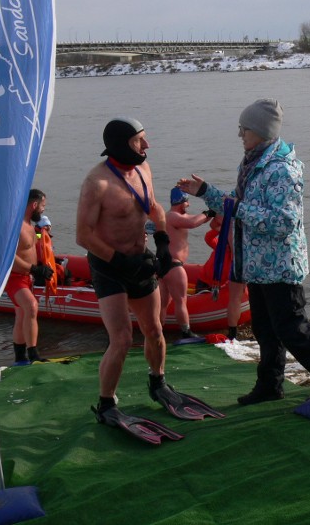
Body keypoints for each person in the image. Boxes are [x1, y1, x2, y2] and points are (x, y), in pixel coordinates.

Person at [178, 99, 310, 404]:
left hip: (280, 264)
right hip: (256, 264)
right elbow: (239, 205)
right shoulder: (252, 162)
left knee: (292, 328)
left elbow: (283, 221)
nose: (240, 134)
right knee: (265, 329)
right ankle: (270, 386)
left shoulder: (281, 169)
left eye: (244, 129)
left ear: (259, 130)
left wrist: (239, 209)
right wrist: (206, 193)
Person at [76, 116, 222, 429]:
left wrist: (163, 244)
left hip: (140, 259)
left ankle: (158, 383)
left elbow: (154, 207)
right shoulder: (96, 183)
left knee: (154, 329)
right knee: (122, 338)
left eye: (144, 138)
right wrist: (119, 260)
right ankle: (106, 403)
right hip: (108, 266)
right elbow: (83, 235)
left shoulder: (143, 168)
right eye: (138, 140)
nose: (146, 145)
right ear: (120, 144)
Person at [4, 188, 53, 364]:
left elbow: (33, 242)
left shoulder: (31, 227)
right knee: (31, 306)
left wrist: (43, 233)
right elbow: (9, 257)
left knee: (22, 314)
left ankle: (19, 357)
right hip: (15, 277)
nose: (43, 210)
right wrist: (34, 269)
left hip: (27, 277)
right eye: (42, 206)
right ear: (34, 204)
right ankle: (33, 354)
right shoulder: (15, 226)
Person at [159, 186, 213, 339]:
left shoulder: (170, 216)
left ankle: (157, 331)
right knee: (180, 300)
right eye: (187, 202)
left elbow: (195, 221)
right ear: (180, 202)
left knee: (163, 302)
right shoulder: (172, 216)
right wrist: (208, 213)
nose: (188, 205)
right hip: (173, 266)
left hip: (165, 266)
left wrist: (210, 213)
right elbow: (193, 222)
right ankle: (185, 332)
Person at [197, 215, 246, 341]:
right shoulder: (221, 247)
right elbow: (209, 237)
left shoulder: (233, 255)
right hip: (204, 284)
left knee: (235, 296)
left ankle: (233, 331)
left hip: (218, 285)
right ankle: (233, 331)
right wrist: (221, 230)